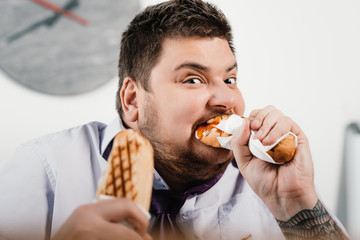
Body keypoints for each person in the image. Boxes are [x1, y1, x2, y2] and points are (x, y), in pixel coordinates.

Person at [0, 0, 349, 240]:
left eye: (230, 79)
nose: (227, 99)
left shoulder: (265, 185)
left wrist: (296, 202)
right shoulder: (45, 169)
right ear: (133, 100)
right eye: (192, 79)